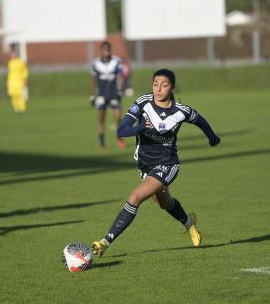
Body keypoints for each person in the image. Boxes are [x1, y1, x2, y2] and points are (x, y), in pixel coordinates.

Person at [92, 68, 221, 256]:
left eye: (164, 85)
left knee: (134, 198)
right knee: (164, 202)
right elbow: (122, 130)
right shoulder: (143, 102)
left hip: (167, 164)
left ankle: (105, 242)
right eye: (155, 84)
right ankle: (189, 224)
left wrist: (212, 137)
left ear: (172, 88)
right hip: (145, 164)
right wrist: (141, 127)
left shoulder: (181, 111)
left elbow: (200, 120)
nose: (158, 89)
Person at [89, 41, 125, 149]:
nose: (107, 51)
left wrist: (120, 91)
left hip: (114, 94)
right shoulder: (95, 63)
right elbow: (92, 80)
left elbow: (120, 77)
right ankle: (102, 142)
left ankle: (119, 138)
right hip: (101, 95)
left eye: (108, 49)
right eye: (104, 49)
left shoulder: (117, 61)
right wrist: (92, 95)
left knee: (118, 118)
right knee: (101, 120)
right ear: (101, 50)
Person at [7, 46, 29, 113]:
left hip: (19, 81)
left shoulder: (20, 62)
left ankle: (22, 108)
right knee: (13, 95)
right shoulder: (10, 63)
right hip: (11, 82)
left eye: (13, 54)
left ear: (16, 55)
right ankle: (16, 108)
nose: (12, 55)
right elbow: (9, 73)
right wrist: (8, 81)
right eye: (11, 54)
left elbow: (24, 71)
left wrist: (25, 80)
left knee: (19, 95)